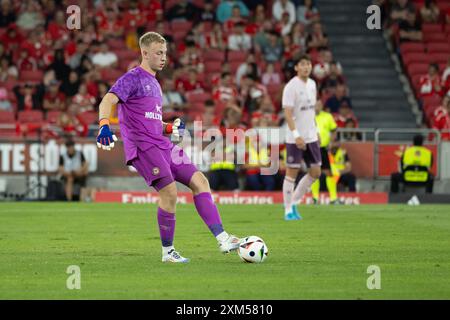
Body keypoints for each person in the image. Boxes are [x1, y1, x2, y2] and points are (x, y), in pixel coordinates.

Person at [96, 32, 243, 263]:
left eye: (164, 53)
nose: (163, 57)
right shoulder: (132, 78)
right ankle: (168, 252)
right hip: (143, 147)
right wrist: (104, 125)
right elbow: (107, 100)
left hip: (162, 143)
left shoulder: (155, 83)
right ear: (145, 53)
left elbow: (151, 120)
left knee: (200, 181)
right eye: (158, 53)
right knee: (170, 192)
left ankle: (224, 238)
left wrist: (168, 128)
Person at [282, 54, 321, 221]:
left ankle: (295, 201)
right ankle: (288, 209)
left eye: (308, 64)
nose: (306, 67)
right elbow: (288, 113)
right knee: (292, 172)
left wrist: (316, 129)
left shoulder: (312, 84)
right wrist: (296, 135)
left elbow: (311, 111)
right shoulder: (291, 86)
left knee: (316, 171)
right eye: (302, 64)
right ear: (296, 67)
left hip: (311, 136)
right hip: (294, 137)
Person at [310, 100, 338, 204]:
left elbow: (334, 130)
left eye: (319, 104)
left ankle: (333, 198)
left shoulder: (327, 116)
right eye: (316, 105)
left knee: (329, 173)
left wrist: (331, 142)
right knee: (314, 173)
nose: (318, 106)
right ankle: (315, 198)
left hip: (323, 148)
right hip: (312, 148)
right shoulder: (309, 117)